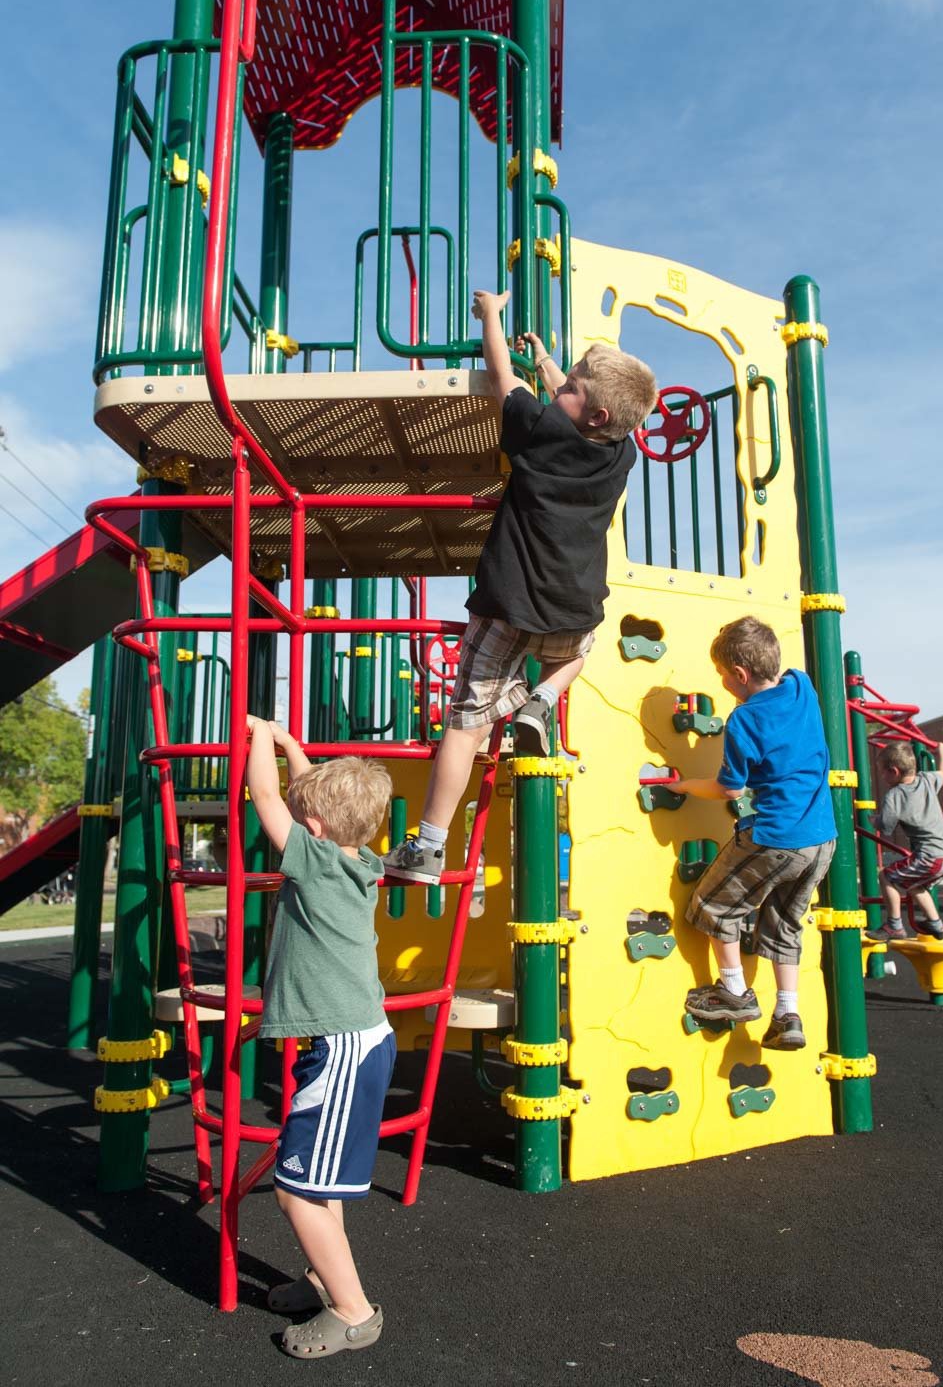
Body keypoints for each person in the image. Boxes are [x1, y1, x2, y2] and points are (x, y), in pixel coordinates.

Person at [382, 289, 658, 886]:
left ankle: (428, 847)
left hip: (509, 605)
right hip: (572, 614)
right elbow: (583, 412)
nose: (558, 388)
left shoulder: (535, 429)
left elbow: (500, 375)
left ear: (589, 413)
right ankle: (540, 700)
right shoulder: (621, 455)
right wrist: (553, 365)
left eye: (568, 386)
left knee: (466, 723)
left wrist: (491, 318)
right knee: (583, 651)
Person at [246, 717, 394, 1361]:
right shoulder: (359, 858)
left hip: (343, 1048)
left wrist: (257, 737)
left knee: (296, 1188)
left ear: (313, 833)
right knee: (320, 1183)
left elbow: (268, 799)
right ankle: (322, 1276)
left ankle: (354, 1312)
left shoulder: (313, 859)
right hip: (350, 1038)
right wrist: (291, 747)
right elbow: (307, 800)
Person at [663, 617, 837, 1051]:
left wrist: (682, 785)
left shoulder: (744, 720)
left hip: (777, 837)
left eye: (723, 674)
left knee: (712, 906)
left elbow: (729, 788)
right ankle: (787, 1014)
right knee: (783, 923)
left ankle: (735, 993)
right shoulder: (802, 687)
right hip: (822, 839)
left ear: (739, 676)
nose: (721, 681)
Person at [866, 739, 943, 941]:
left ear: (894, 771)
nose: (881, 776)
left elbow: (886, 828)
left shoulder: (894, 795)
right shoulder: (926, 780)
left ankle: (894, 926)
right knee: (914, 885)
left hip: (930, 857)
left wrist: (873, 820)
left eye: (882, 771)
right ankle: (936, 924)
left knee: (887, 876)